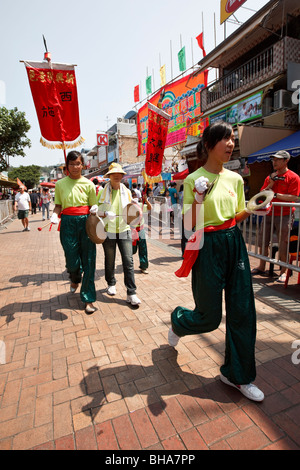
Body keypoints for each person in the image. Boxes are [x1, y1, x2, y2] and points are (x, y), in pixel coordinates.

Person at [168, 120, 267, 403]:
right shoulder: (192, 179)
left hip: (234, 243)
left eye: (233, 138)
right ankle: (178, 321)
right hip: (206, 245)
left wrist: (254, 209)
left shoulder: (235, 179)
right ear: (209, 144)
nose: (231, 144)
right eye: (225, 139)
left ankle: (237, 375)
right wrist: (198, 197)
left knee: (243, 310)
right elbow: (188, 223)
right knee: (208, 317)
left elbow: (236, 216)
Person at [50, 151, 98, 315]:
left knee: (89, 260)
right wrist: (55, 215)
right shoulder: (60, 184)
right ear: (67, 166)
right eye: (72, 164)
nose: (75, 167)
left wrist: (95, 208)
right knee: (72, 259)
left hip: (86, 222)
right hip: (68, 223)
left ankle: (88, 299)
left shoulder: (89, 184)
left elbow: (93, 205)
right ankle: (75, 277)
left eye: (78, 163)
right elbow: (58, 205)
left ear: (82, 165)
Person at [251, 150, 300, 283]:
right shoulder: (270, 177)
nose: (274, 162)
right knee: (263, 240)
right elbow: (262, 193)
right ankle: (262, 266)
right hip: (269, 213)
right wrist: (271, 184)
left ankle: (284, 271)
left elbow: (294, 197)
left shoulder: (293, 177)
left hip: (284, 214)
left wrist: (276, 195)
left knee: (283, 242)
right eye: (274, 159)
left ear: (286, 161)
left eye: (278, 159)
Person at [98, 162, 141, 306]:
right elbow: (95, 212)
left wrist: (136, 206)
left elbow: (131, 212)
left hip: (124, 230)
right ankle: (111, 283)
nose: (117, 176)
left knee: (128, 261)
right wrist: (104, 213)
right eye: (113, 174)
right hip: (108, 231)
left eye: (119, 174)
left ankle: (131, 292)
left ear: (122, 176)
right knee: (110, 260)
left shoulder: (127, 192)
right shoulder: (102, 192)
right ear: (109, 176)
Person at [131, 187, 153, 274]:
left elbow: (149, 208)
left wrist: (146, 200)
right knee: (131, 250)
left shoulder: (140, 205)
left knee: (143, 248)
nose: (134, 197)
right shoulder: (127, 206)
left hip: (140, 230)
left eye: (135, 195)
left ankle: (143, 266)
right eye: (132, 195)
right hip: (132, 231)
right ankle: (128, 265)